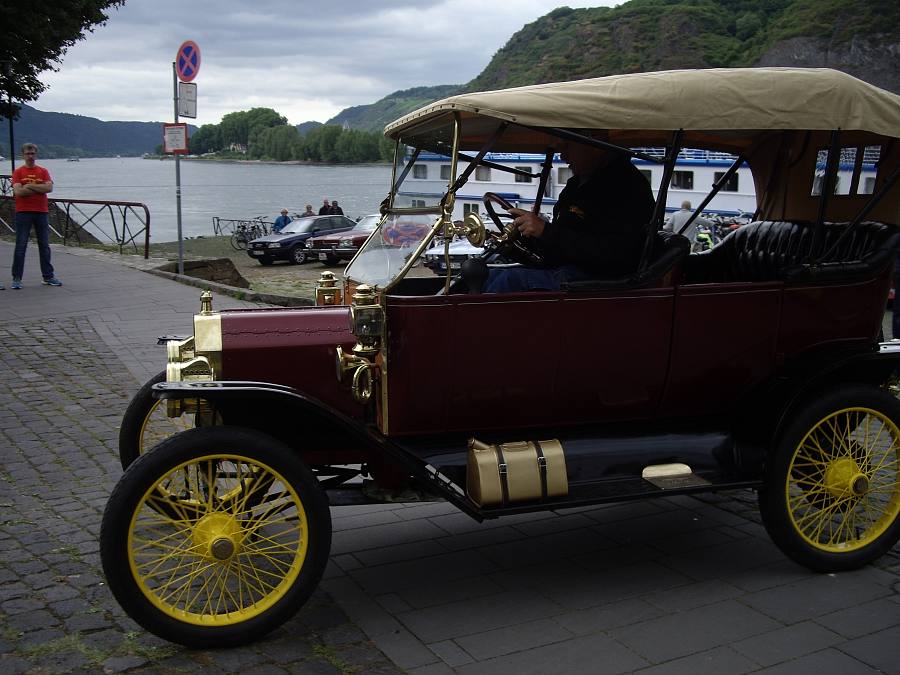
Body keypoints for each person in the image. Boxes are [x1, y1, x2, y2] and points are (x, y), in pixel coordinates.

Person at [484, 138, 655, 293]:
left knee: (509, 281)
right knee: (484, 274)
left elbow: (615, 253)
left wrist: (545, 231)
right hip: (570, 269)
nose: (562, 155)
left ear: (594, 145)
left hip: (602, 280)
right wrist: (514, 245)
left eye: (567, 146)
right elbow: (557, 247)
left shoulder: (627, 187)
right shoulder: (578, 184)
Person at [11, 143, 61, 289]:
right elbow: (18, 192)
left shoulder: (43, 171)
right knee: (21, 245)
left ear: (36, 154)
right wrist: (40, 189)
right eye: (28, 153)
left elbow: (49, 188)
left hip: (41, 211)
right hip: (23, 212)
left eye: (32, 153)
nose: (30, 156)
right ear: (23, 155)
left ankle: (48, 276)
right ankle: (17, 278)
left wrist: (29, 186)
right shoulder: (18, 172)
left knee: (44, 245)